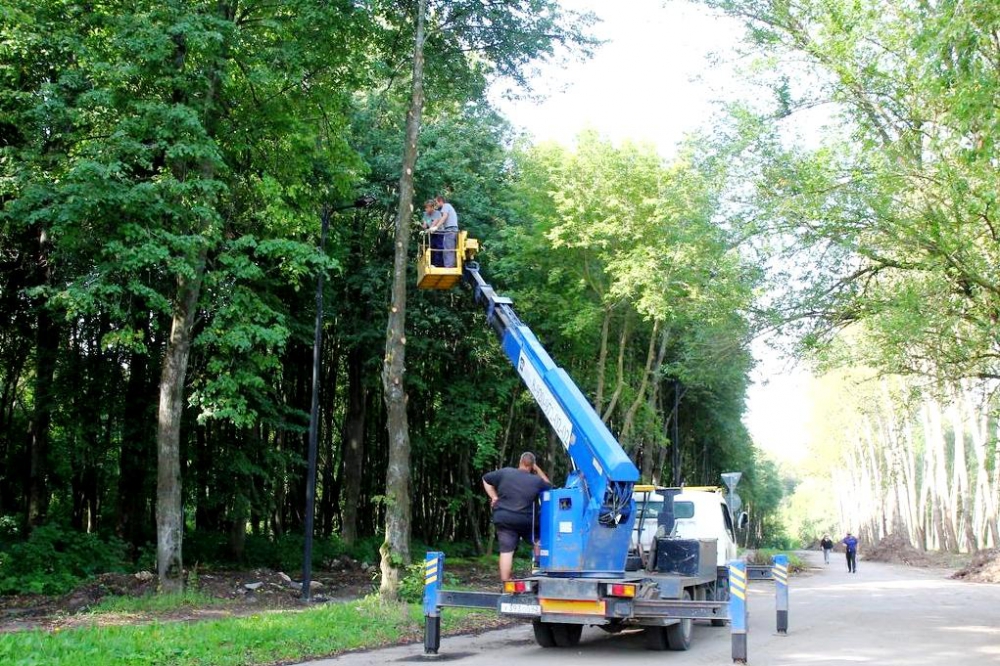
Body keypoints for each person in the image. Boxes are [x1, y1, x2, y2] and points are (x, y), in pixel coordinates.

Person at [482, 452, 551, 581]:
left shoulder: (505, 472)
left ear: (520, 461)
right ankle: (537, 570)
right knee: (538, 540)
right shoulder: (536, 480)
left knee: (506, 551)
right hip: (525, 520)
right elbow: (549, 486)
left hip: (504, 519)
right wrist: (538, 469)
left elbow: (485, 479)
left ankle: (505, 585)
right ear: (532, 466)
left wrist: (494, 497)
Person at [434, 195, 459, 268]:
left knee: (448, 248)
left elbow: (444, 217)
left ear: (440, 201)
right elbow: (440, 219)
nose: (436, 205)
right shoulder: (448, 207)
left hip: (450, 229)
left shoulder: (446, 206)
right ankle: (450, 265)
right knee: (450, 248)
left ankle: (449, 267)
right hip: (451, 229)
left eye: (436, 202)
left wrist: (436, 227)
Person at [421, 199, 443, 266]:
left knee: (439, 247)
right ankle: (432, 264)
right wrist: (423, 226)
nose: (426, 209)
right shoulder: (425, 214)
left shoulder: (437, 213)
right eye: (425, 207)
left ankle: (438, 264)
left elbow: (434, 223)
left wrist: (429, 229)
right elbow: (425, 224)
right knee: (432, 247)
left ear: (432, 207)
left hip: (439, 233)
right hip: (431, 234)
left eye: (427, 207)